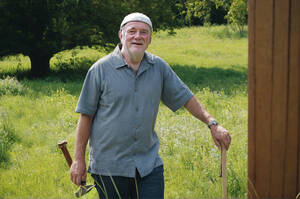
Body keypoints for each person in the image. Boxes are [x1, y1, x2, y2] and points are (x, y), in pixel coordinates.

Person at [70, 12, 231, 199]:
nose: (138, 36)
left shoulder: (158, 67)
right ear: (121, 35)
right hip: (109, 168)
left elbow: (186, 97)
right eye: (132, 31)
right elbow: (86, 116)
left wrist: (213, 123)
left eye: (143, 32)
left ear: (150, 39)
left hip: (148, 166)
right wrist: (78, 159)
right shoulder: (100, 70)